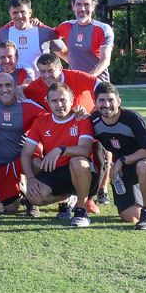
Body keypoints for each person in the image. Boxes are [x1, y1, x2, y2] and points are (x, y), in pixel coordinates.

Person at [90, 83, 146, 230]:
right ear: (95, 103)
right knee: (131, 216)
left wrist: (122, 160)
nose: (106, 104)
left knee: (143, 166)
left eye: (111, 100)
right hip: (124, 167)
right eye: (102, 100)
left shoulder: (133, 118)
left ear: (119, 101)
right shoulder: (93, 121)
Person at [20, 82, 98, 227]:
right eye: (54, 100)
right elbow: (26, 153)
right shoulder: (41, 121)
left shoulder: (81, 118)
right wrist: (30, 179)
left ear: (72, 100)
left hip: (84, 172)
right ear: (48, 102)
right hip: (56, 171)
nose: (59, 104)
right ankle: (67, 197)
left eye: (63, 100)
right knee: (34, 197)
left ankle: (81, 210)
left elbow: (85, 150)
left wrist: (60, 150)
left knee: (78, 161)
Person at [0, 72, 46, 215]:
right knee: (12, 208)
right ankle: (20, 191)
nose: (4, 89)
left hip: (24, 157)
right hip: (3, 162)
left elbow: (52, 118)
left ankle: (33, 202)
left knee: (36, 164)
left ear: (15, 86)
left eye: (8, 85)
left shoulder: (28, 105)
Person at [0, 0, 65, 70]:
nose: (19, 16)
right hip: (12, 78)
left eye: (23, 12)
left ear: (30, 12)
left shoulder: (45, 32)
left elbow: (65, 54)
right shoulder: (2, 34)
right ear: (10, 13)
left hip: (40, 78)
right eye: (15, 13)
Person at [56, 0, 114, 81]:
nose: (82, 9)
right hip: (75, 83)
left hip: (98, 84)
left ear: (93, 7)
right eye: (78, 4)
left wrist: (87, 78)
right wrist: (35, 22)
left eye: (86, 4)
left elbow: (105, 60)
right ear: (73, 6)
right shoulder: (66, 26)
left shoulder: (103, 29)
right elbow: (48, 36)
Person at [24, 52, 100, 113]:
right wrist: (21, 88)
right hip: (58, 125)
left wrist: (96, 111)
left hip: (87, 120)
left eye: (50, 71)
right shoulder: (35, 86)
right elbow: (21, 98)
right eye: (42, 72)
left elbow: (102, 86)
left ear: (60, 69)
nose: (47, 76)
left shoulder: (77, 76)